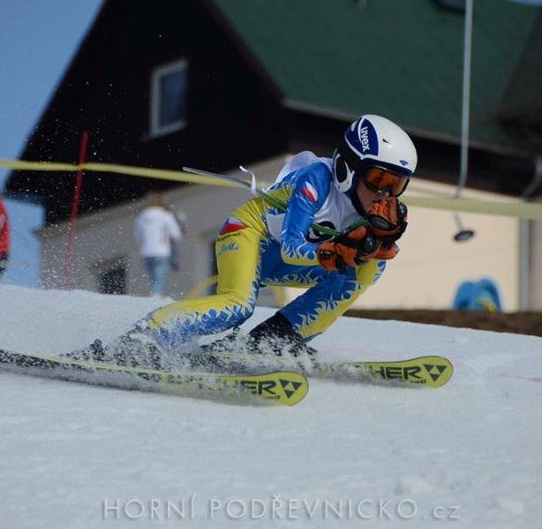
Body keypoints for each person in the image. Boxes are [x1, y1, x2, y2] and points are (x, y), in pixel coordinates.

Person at [82, 114, 414, 364]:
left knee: (370, 268)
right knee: (237, 306)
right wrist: (333, 249)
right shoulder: (317, 181)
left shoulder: (374, 211)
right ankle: (145, 339)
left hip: (284, 260)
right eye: (378, 178)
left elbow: (355, 267)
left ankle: (275, 340)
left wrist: (370, 248)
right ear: (347, 167)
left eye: (396, 185)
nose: (384, 193)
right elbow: (292, 246)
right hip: (248, 235)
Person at [134, 193, 183, 297]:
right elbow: (176, 234)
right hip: (162, 251)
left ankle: (154, 294)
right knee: (159, 278)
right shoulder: (165, 215)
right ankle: (155, 297)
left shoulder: (141, 217)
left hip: (146, 252)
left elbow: (138, 237)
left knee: (153, 278)